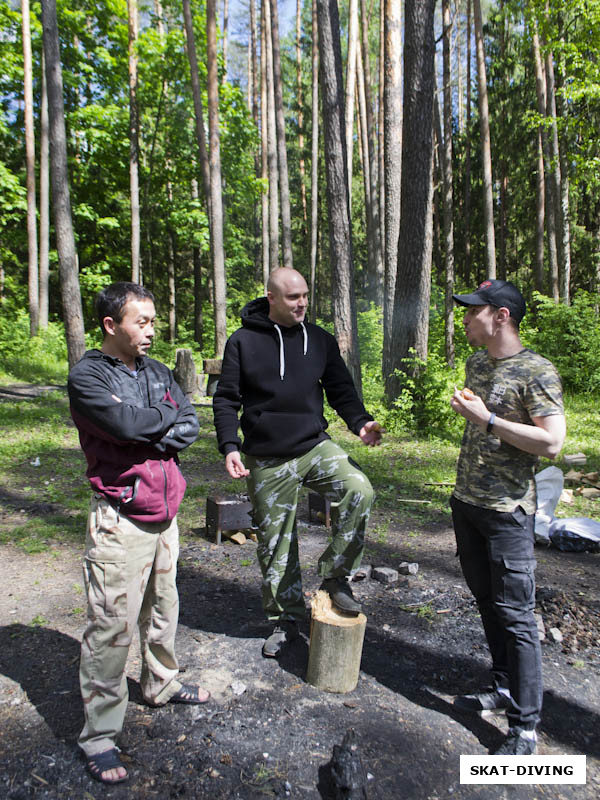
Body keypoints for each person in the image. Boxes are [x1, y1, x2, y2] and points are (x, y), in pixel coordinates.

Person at [68, 282, 209, 785]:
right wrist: (156, 422)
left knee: (163, 607)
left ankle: (162, 683)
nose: (151, 330)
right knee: (111, 625)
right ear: (111, 326)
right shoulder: (87, 376)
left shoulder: (158, 371)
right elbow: (124, 427)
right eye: (141, 322)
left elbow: (188, 422)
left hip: (166, 512)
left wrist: (157, 421)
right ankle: (99, 734)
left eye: (152, 321)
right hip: (119, 517)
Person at [213, 268, 381, 657]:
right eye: (293, 297)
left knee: (358, 488)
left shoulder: (319, 341)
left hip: (312, 446)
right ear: (271, 297)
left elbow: (341, 390)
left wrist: (360, 422)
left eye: (305, 295)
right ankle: (285, 619)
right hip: (267, 457)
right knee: (275, 543)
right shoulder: (242, 341)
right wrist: (229, 445)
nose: (302, 302)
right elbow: (226, 398)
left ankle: (336, 577)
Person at [449, 279, 566, 755]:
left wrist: (489, 421)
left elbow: (553, 443)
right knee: (487, 603)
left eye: (472, 311)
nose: (465, 318)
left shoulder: (537, 371)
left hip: (508, 512)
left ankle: (524, 728)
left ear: (500, 315)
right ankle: (502, 687)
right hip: (468, 503)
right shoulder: (477, 362)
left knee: (517, 617)